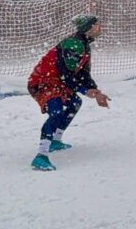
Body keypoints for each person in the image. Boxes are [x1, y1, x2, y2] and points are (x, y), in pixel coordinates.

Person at [27, 15, 112, 171]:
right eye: (97, 24)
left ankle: (55, 141)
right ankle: (41, 156)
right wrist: (86, 91)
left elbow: (83, 74)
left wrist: (96, 92)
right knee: (57, 112)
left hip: (57, 82)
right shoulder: (73, 44)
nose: (100, 27)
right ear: (88, 28)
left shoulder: (84, 44)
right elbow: (66, 75)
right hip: (43, 83)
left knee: (74, 103)